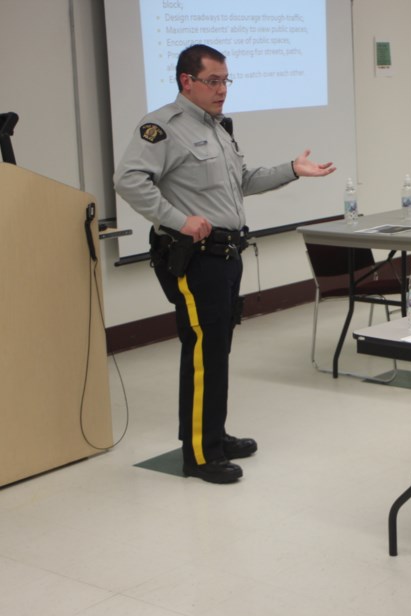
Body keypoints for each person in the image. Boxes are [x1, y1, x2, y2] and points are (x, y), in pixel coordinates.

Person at [114, 44, 335, 484]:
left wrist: (292, 169)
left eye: (225, 81)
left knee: (216, 350)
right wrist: (178, 219)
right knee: (202, 352)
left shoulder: (216, 128)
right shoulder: (162, 127)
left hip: (226, 254)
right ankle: (199, 455)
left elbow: (242, 181)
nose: (222, 90)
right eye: (213, 81)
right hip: (194, 259)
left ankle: (212, 434)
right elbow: (128, 180)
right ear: (186, 82)